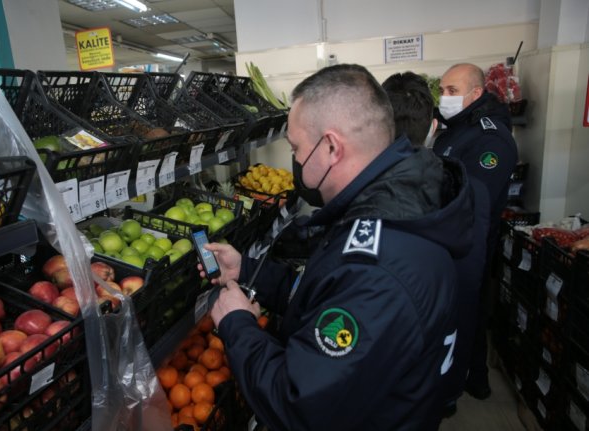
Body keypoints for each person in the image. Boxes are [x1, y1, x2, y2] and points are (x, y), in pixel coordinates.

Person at [200, 64, 475, 430]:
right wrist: (249, 272)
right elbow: (326, 292)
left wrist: (237, 324)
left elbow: (297, 407)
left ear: (330, 147)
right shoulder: (389, 211)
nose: (294, 160)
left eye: (296, 148)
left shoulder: (378, 268)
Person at [382, 71, 491, 417]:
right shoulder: (471, 190)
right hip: (443, 361)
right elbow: (468, 284)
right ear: (432, 126)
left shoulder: (370, 192)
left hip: (389, 373)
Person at [433, 63, 519, 399]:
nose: (444, 97)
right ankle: (474, 377)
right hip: (449, 242)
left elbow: (472, 202)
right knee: (463, 315)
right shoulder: (455, 128)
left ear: (477, 93)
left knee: (468, 314)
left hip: (471, 246)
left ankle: (464, 382)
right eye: (442, 90)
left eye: (452, 91)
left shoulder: (490, 138)